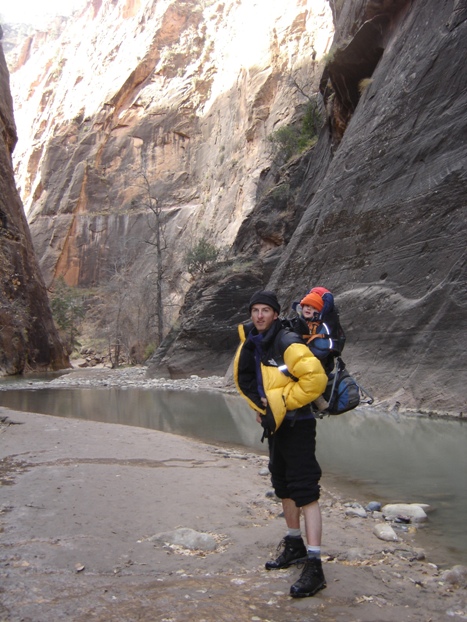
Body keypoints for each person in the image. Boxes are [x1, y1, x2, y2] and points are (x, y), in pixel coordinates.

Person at [233, 290, 328, 598]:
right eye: (255, 310)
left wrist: (283, 402)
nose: (259, 315)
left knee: (305, 489)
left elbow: (315, 380)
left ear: (275, 314)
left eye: (265, 310)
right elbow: (253, 382)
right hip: (276, 426)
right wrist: (264, 411)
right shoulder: (254, 342)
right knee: (283, 485)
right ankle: (295, 544)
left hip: (298, 424)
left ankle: (315, 565)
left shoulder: (286, 341)